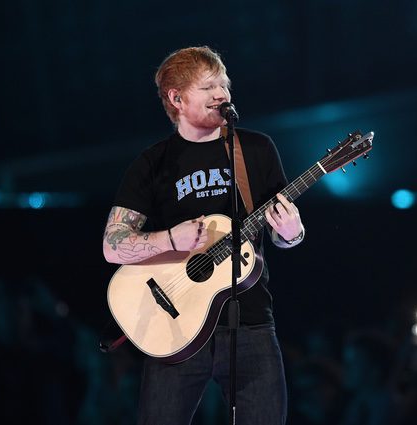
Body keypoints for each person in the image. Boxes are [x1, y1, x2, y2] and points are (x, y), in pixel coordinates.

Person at [102, 45, 305, 425]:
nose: (222, 94)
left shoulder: (256, 149)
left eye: (224, 84)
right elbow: (112, 246)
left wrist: (291, 233)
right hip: (174, 328)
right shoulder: (153, 163)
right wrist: (170, 240)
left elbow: (281, 234)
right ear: (176, 98)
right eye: (209, 86)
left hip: (251, 324)